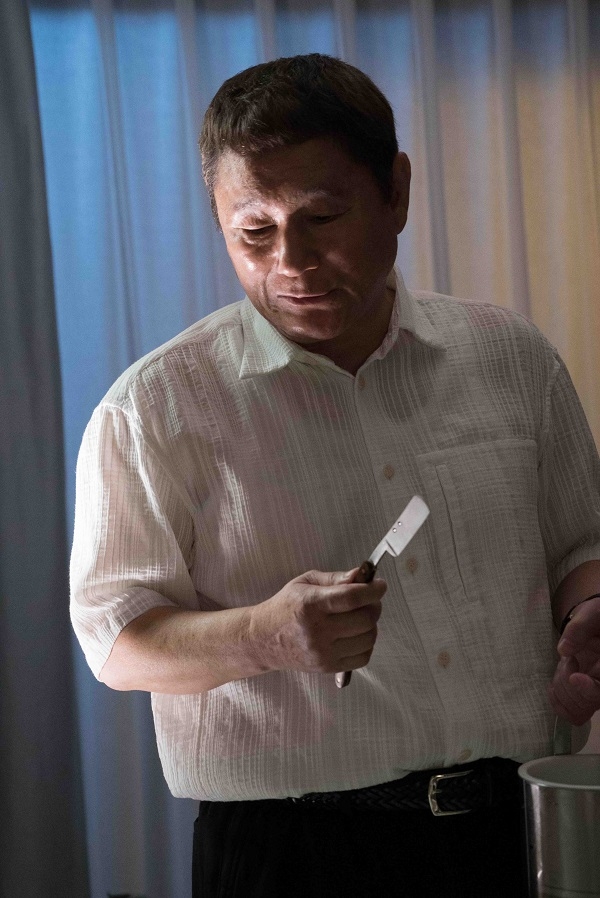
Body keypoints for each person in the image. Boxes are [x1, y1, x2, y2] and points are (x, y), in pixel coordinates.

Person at [70, 54, 600, 897]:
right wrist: (264, 637)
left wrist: (586, 611)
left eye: (322, 217)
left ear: (397, 192)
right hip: (290, 851)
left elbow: (582, 544)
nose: (293, 261)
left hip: (512, 830)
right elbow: (114, 642)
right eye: (254, 232)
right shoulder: (152, 409)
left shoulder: (511, 358)